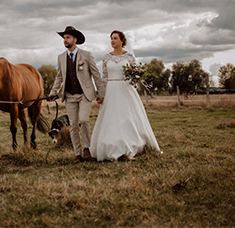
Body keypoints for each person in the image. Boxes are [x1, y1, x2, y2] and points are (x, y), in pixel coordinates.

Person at [89, 30, 161, 161]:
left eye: (115, 38)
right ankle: (112, 147)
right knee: (111, 119)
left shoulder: (129, 57)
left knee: (127, 118)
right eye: (111, 38)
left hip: (126, 89)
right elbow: (104, 77)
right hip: (111, 90)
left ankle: (130, 147)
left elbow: (134, 75)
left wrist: (136, 77)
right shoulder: (106, 58)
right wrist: (101, 93)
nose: (112, 40)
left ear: (122, 41)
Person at [47, 26, 105, 163]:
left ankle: (87, 148)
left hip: (85, 94)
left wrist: (101, 93)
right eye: (64, 38)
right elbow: (59, 77)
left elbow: (96, 75)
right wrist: (53, 92)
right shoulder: (61, 57)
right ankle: (78, 154)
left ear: (75, 39)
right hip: (69, 96)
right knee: (73, 125)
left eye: (68, 37)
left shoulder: (87, 55)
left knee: (83, 120)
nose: (65, 40)